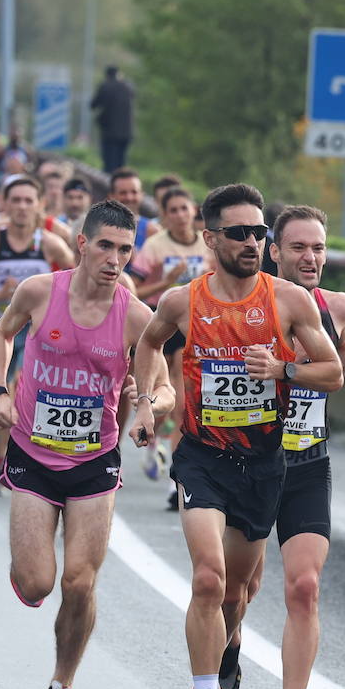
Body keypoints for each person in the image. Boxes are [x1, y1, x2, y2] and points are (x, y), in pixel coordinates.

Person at [128, 183, 342, 689]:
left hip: (263, 463)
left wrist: (283, 368)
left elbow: (333, 373)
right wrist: (145, 402)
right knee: (207, 578)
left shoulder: (290, 302)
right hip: (201, 456)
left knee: (238, 593)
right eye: (240, 233)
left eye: (259, 233)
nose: (253, 242)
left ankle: (223, 654)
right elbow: (147, 344)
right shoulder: (182, 301)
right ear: (211, 238)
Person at [0, 199, 167, 689]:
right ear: (83, 245)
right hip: (33, 452)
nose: (115, 259)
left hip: (94, 459)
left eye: (126, 250)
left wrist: (146, 410)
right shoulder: (40, 292)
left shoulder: (136, 316)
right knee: (39, 582)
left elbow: (162, 387)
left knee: (80, 583)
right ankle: (26, 566)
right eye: (106, 246)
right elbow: (1, 335)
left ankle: (62, 686)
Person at [226, 204, 345, 689]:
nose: (310, 258)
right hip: (249, 462)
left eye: (318, 248)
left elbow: (340, 348)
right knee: (236, 589)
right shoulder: (249, 303)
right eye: (298, 247)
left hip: (308, 464)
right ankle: (231, 638)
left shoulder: (336, 306)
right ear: (274, 251)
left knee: (305, 588)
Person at [0, 176, 76, 494]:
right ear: (4, 204)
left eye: (29, 200)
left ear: (40, 205)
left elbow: (75, 284)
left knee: (26, 392)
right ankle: (0, 462)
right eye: (16, 200)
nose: (22, 207)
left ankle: (33, 460)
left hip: (38, 332)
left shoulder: (50, 244)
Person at [132, 186, 216, 495]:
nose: (181, 215)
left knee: (182, 403)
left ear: (194, 210)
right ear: (165, 216)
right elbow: (132, 291)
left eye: (185, 208)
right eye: (174, 210)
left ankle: (174, 482)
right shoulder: (155, 246)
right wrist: (167, 282)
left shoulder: (209, 246)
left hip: (192, 326)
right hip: (157, 323)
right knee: (158, 394)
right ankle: (154, 445)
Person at [91, 65, 135, 173]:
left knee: (109, 162)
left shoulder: (105, 86)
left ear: (107, 75)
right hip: (126, 131)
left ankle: (110, 184)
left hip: (109, 131)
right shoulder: (128, 86)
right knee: (121, 160)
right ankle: (121, 178)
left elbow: (93, 105)